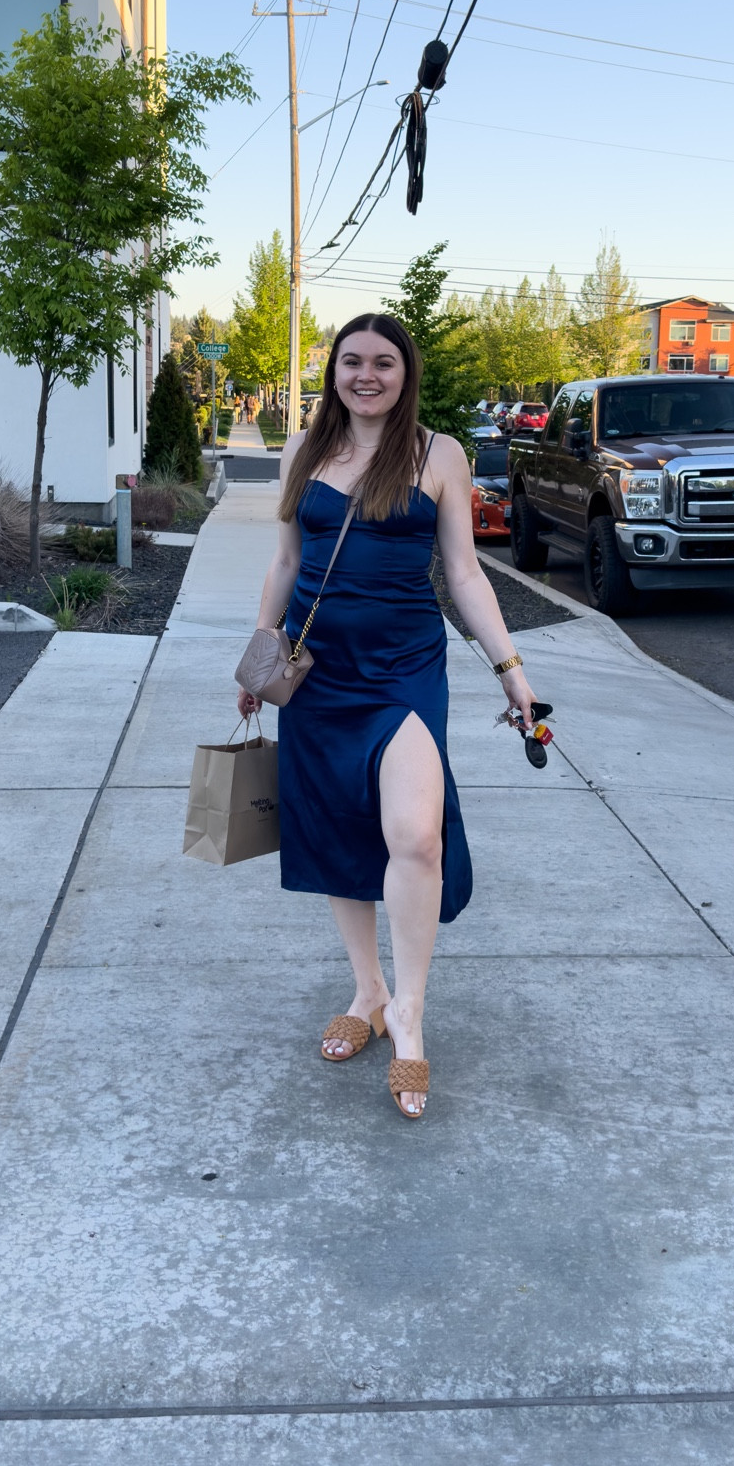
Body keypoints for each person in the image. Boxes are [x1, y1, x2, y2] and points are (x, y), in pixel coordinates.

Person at [238, 313, 538, 1119]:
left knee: (415, 834)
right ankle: (367, 990)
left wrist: (510, 668)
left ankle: (409, 1012)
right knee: (339, 822)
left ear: (406, 374)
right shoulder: (304, 451)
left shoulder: (439, 454)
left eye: (383, 363)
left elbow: (466, 573)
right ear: (333, 370)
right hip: (317, 671)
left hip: (405, 670)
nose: (365, 375)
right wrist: (259, 656)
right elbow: (288, 561)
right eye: (351, 362)